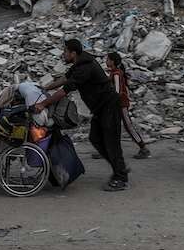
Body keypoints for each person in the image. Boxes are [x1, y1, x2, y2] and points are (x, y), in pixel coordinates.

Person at [33, 39, 130, 192]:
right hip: (100, 108)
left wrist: (43, 103)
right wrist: (44, 88)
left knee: (111, 142)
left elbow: (65, 89)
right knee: (95, 138)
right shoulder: (80, 63)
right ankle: (119, 167)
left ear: (73, 53)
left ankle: (121, 177)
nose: (63, 54)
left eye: (65, 52)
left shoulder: (85, 68)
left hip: (109, 107)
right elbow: (65, 78)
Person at [105, 52, 150, 159]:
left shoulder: (116, 73)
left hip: (120, 104)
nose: (106, 61)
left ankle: (143, 148)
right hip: (118, 103)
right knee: (110, 126)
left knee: (128, 126)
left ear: (112, 61)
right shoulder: (115, 72)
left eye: (107, 60)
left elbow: (117, 91)